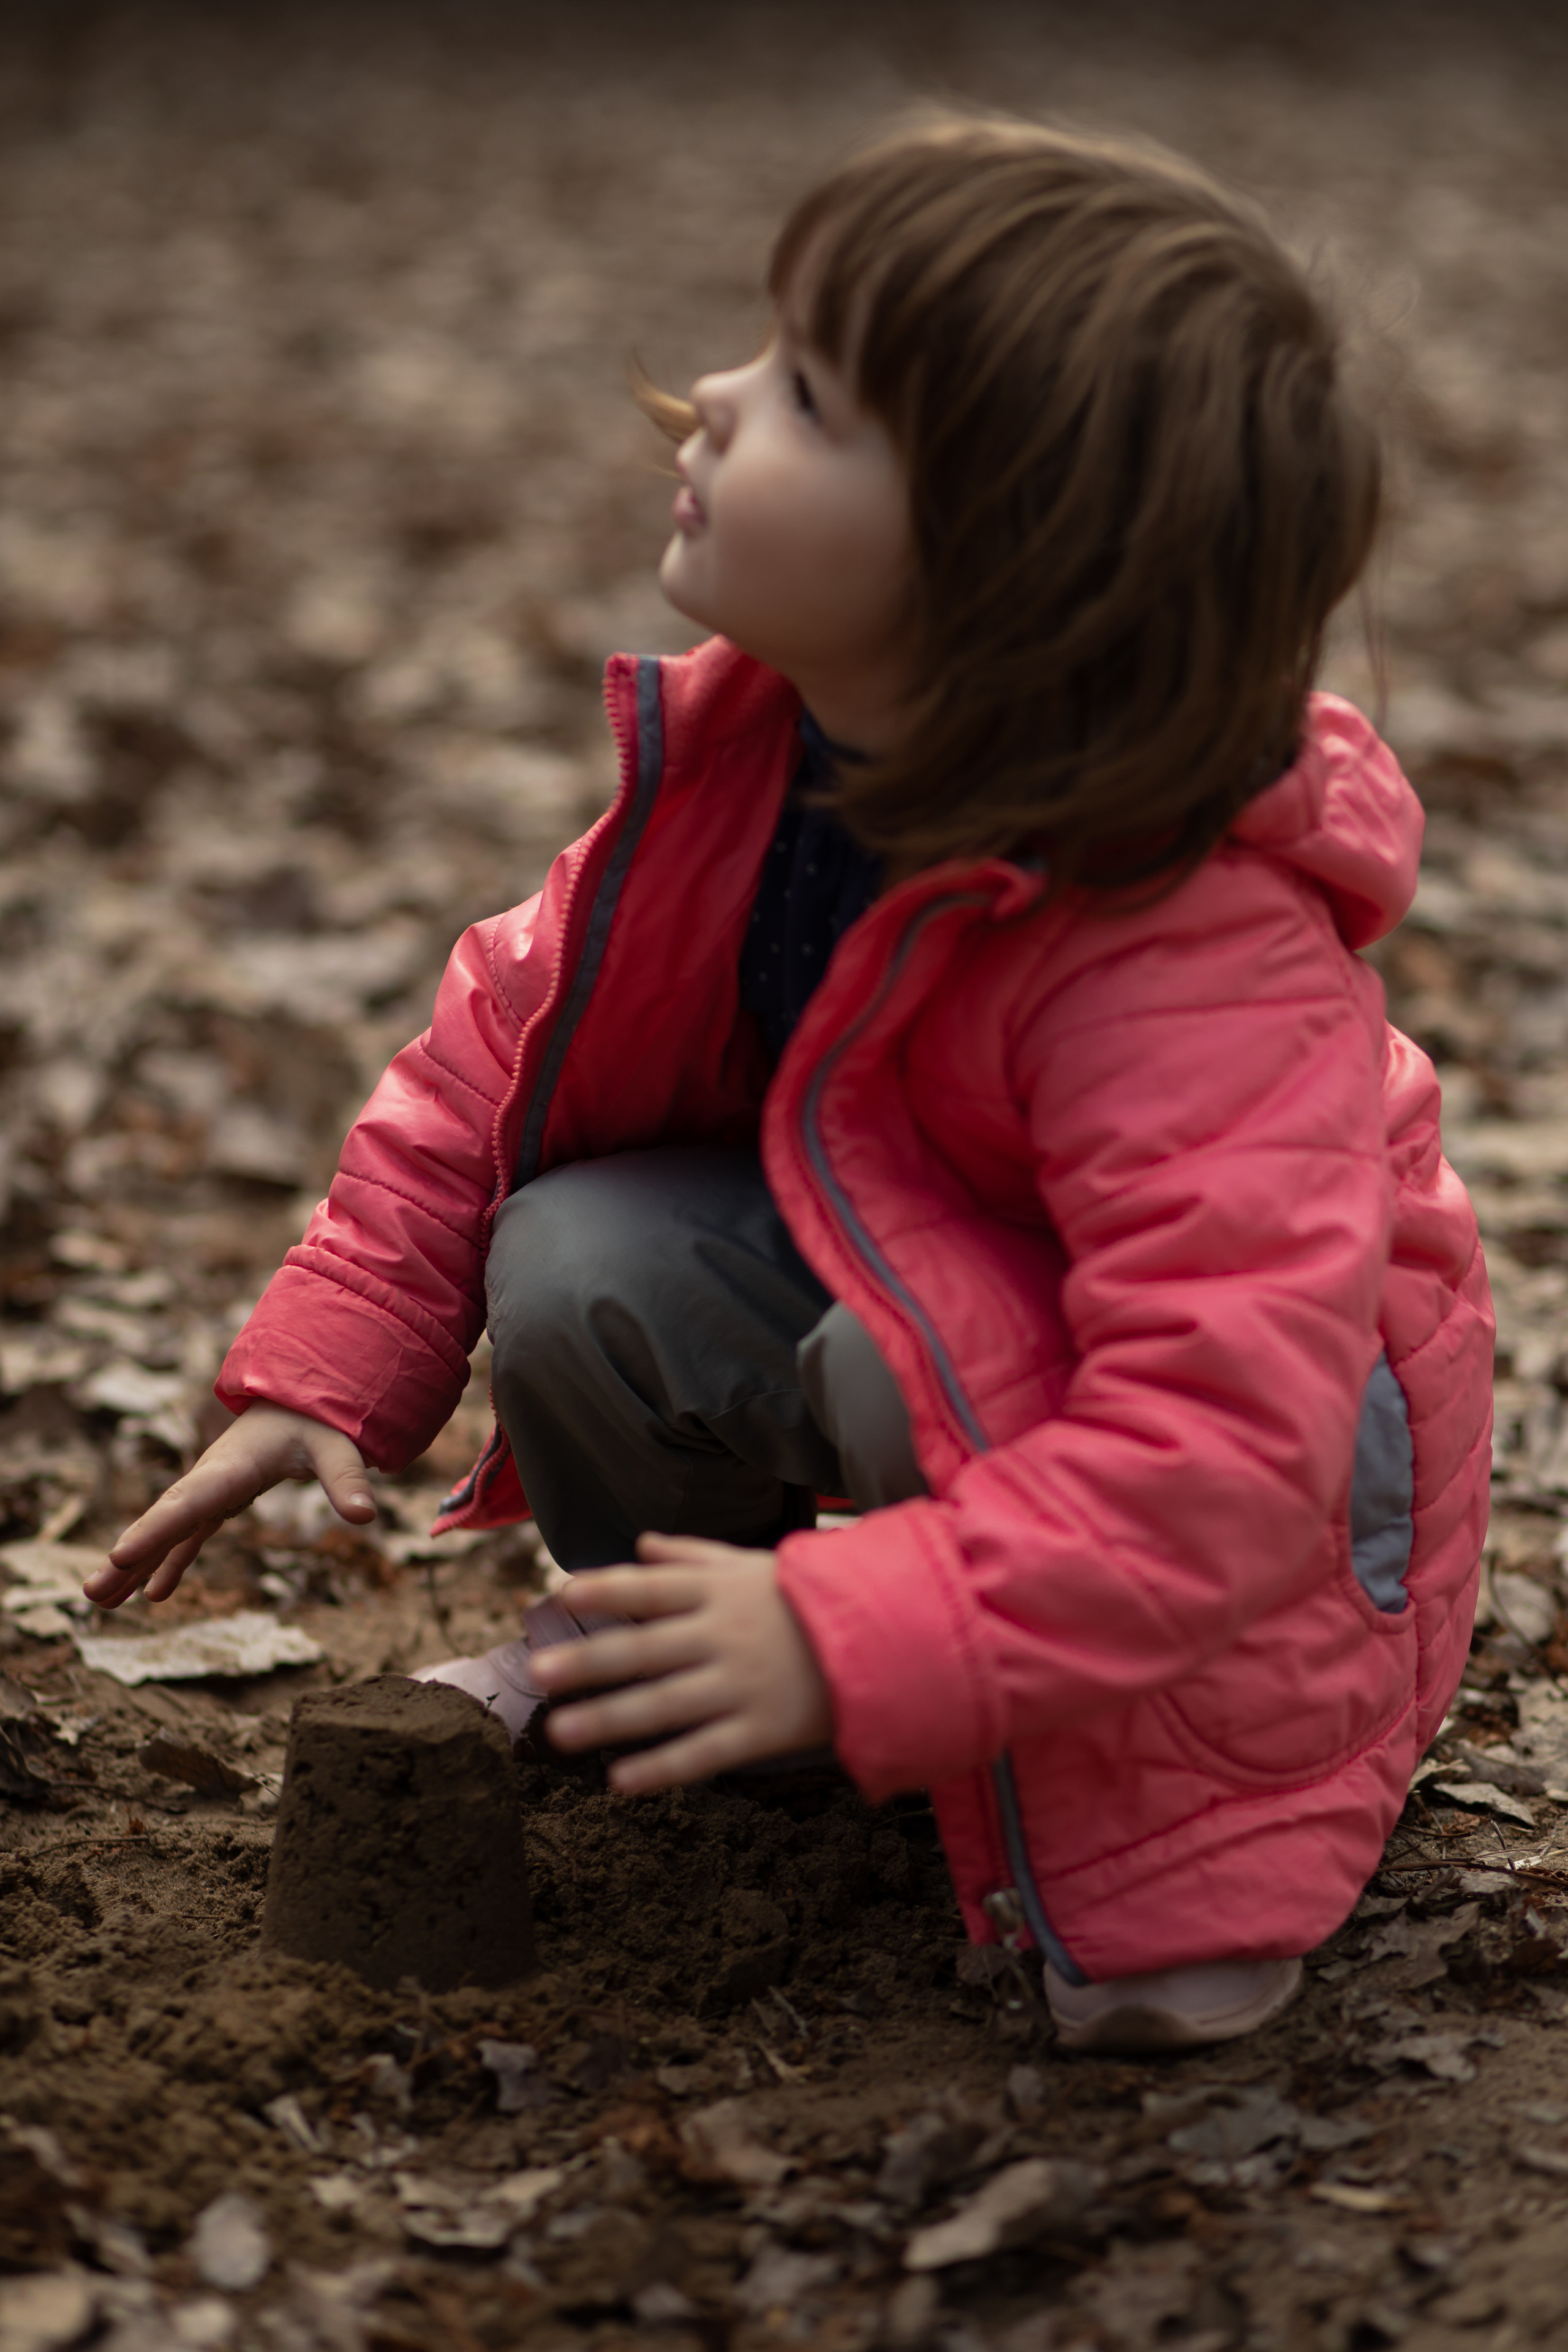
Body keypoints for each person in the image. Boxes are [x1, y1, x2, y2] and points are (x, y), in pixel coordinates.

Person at [84, 114, 1493, 2053]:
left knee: (1156, 1973)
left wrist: (871, 1631)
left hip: (1254, 1521)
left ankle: (1057, 1770)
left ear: (1008, 573)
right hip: (925, 1316)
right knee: (584, 1249)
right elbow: (496, 1051)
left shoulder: (1188, 960)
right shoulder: (765, 760)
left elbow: (1220, 1457)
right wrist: (324, 1375)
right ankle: (700, 1656)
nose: (717, 394)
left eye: (811, 392)